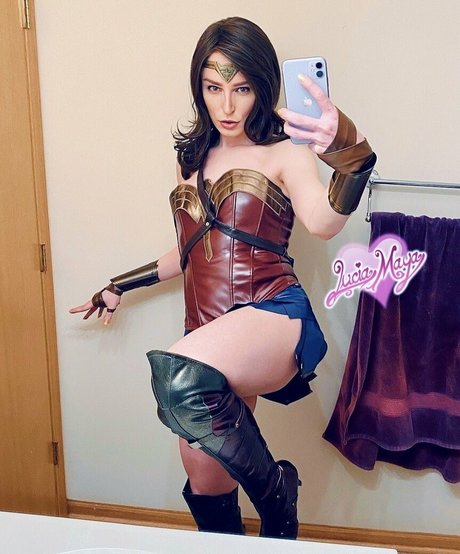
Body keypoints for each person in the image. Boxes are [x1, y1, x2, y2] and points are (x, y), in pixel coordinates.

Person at [70, 16, 376, 540]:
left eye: (242, 89)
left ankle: (277, 496)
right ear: (200, 89)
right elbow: (191, 250)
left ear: (263, 88)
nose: (227, 106)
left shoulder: (286, 151)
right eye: (214, 88)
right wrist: (119, 284)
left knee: (179, 378)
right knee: (205, 475)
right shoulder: (189, 160)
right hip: (210, 327)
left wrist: (352, 154)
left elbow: (324, 223)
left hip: (272, 312)